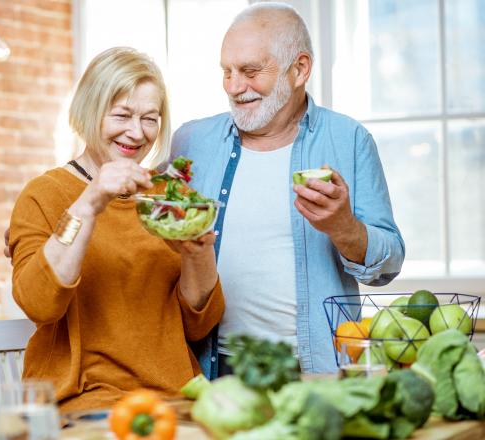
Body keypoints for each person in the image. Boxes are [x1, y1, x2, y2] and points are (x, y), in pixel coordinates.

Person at [172, 2, 404, 376]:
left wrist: (344, 227)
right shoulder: (191, 142)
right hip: (211, 369)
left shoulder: (349, 139)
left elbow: (388, 265)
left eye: (250, 71)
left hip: (312, 370)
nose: (234, 87)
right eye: (227, 72)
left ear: (300, 69)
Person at [8, 47, 224, 411]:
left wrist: (198, 253)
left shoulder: (170, 197)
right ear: (89, 111)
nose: (137, 133)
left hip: (175, 398)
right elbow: (39, 304)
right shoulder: (44, 194)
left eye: (150, 119)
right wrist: (90, 203)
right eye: (122, 115)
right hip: (85, 400)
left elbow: (197, 326)